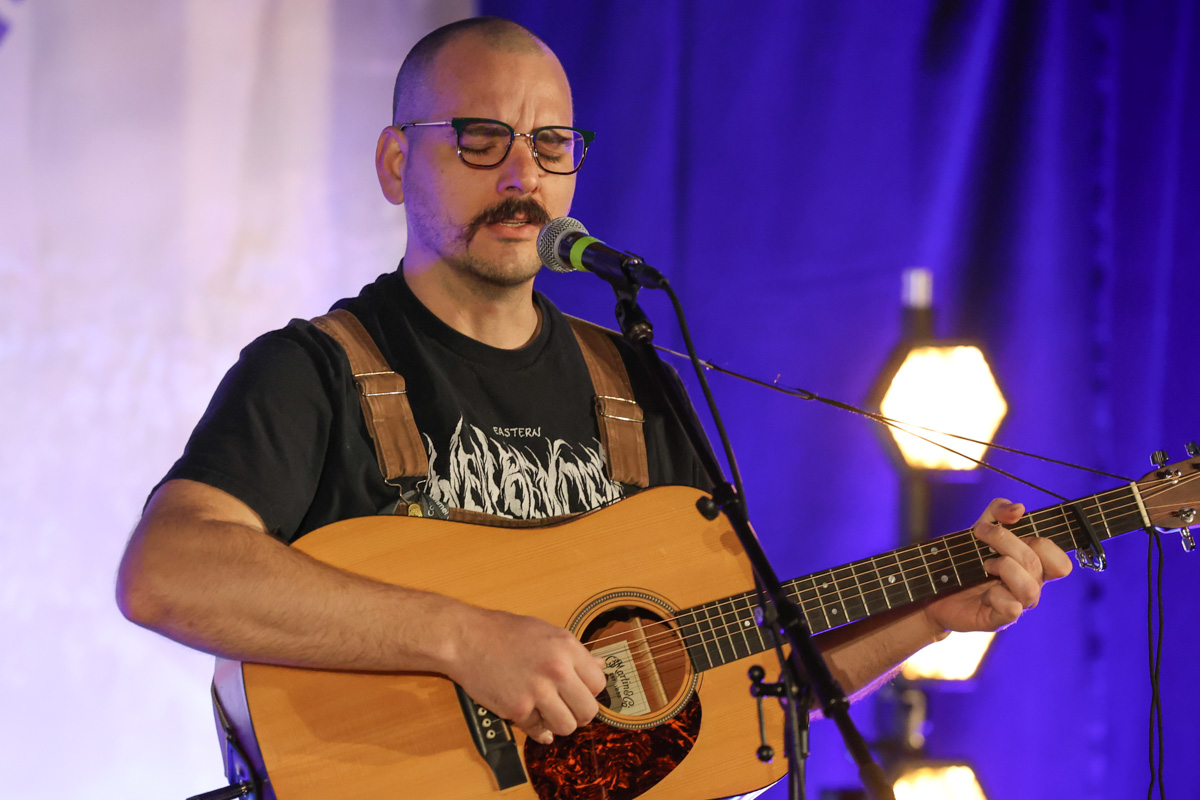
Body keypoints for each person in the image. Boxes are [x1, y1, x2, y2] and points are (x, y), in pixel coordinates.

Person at [116, 16, 1072, 755]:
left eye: (552, 143)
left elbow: (747, 683)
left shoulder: (630, 382)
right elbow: (167, 573)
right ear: (396, 163)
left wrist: (930, 615)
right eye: (481, 138)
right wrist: (461, 638)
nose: (522, 175)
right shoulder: (316, 369)